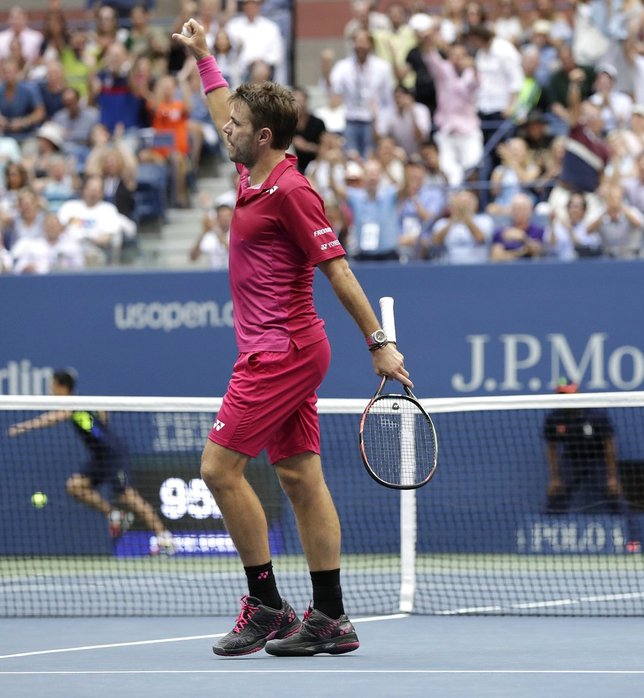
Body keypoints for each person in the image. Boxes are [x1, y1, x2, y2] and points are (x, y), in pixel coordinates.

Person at [172, 19, 409, 658]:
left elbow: (338, 269)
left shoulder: (292, 193)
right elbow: (227, 107)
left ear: (265, 137)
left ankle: (268, 605)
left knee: (218, 469)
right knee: (301, 477)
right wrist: (204, 57)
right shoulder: (253, 171)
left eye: (238, 128)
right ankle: (330, 617)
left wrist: (378, 342)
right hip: (286, 352)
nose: (226, 130)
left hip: (280, 353)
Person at [7, 369, 174, 554]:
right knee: (75, 486)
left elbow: (53, 418)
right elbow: (104, 412)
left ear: (62, 386)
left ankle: (164, 538)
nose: (50, 389)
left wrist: (23, 427)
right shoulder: (83, 401)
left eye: (52, 385)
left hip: (113, 455)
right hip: (99, 457)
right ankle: (114, 514)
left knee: (128, 496)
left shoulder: (72, 404)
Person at [543, 380, 625, 515]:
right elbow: (551, 447)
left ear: (577, 392)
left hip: (598, 459)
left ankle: (627, 533)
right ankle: (549, 527)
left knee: (613, 492)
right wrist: (555, 478)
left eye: (569, 393)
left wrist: (612, 477)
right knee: (557, 492)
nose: (567, 398)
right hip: (572, 459)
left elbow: (609, 444)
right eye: (563, 394)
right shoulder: (555, 418)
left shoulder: (595, 415)